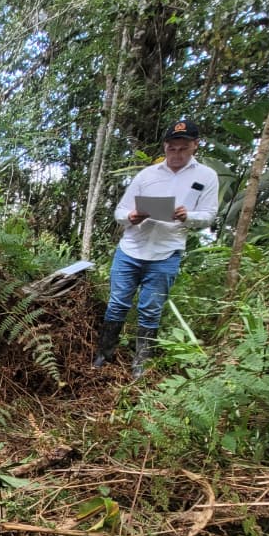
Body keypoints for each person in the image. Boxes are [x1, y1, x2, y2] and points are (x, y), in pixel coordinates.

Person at [93, 118, 219, 377]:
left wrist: (188, 216)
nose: (176, 154)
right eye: (171, 148)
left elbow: (208, 216)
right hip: (131, 249)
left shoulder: (206, 177)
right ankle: (104, 355)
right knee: (117, 303)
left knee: (150, 308)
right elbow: (120, 211)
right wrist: (131, 217)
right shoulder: (147, 175)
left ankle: (140, 363)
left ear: (195, 145)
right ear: (164, 146)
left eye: (183, 148)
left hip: (166, 252)